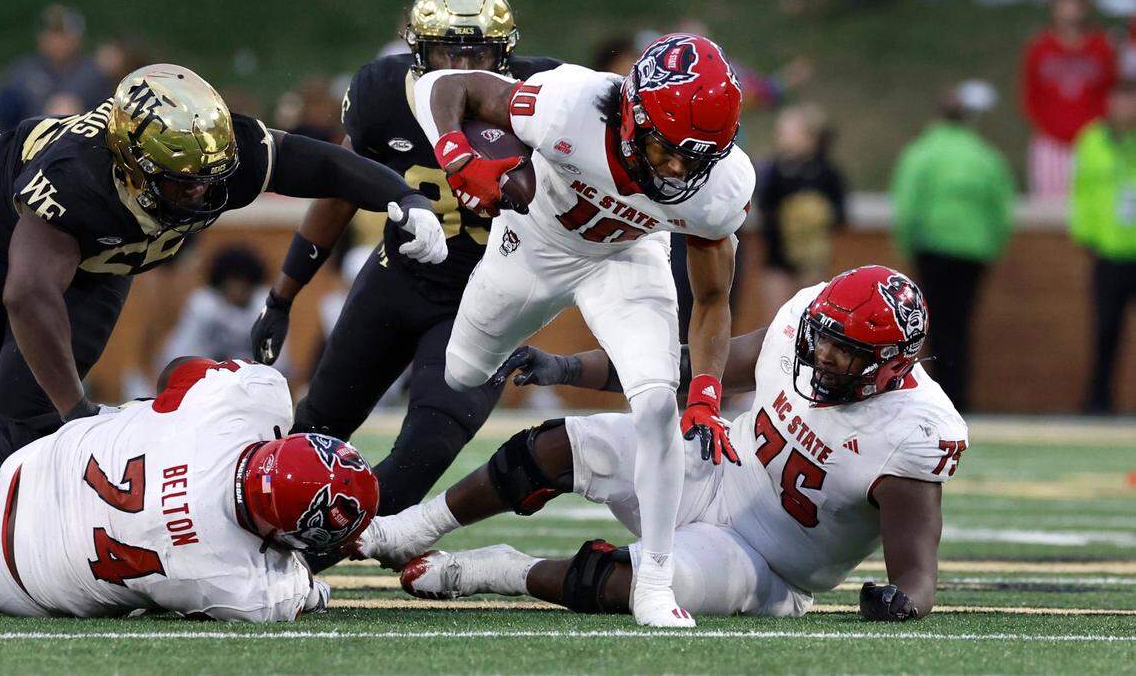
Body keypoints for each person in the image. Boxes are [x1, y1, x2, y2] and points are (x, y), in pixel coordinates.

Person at [358, 266, 966, 623]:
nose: (824, 355)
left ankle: (500, 570)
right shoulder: (804, 322)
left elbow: (917, 573)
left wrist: (901, 602)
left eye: (846, 351)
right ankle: (415, 526)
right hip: (718, 465)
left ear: (890, 364)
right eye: (823, 338)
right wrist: (568, 369)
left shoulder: (911, 432)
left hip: (765, 562)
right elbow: (687, 366)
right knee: (559, 445)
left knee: (627, 584)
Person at [406, 32, 755, 627]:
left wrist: (705, 392)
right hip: (536, 240)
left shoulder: (720, 188)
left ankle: (655, 582)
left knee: (656, 404)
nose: (676, 168)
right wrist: (459, 156)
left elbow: (713, 296)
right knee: (462, 372)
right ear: (632, 114)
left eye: (694, 158)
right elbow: (442, 85)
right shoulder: (567, 103)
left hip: (627, 259)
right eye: (664, 147)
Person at [0, 62, 446, 443]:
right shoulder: (76, 179)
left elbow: (322, 164)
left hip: (101, 261)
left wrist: (404, 196)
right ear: (132, 165)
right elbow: (27, 294)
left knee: (32, 412)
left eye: (209, 175)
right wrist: (78, 413)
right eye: (183, 180)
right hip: (10, 232)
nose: (201, 190)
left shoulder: (213, 155)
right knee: (36, 411)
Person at [251, 0, 559, 518]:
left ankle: (335, 542)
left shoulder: (549, 97)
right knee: (314, 430)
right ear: (418, 51)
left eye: (478, 55)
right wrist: (282, 297)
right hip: (398, 281)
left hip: (490, 301)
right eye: (446, 53)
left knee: (424, 453)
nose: (460, 68)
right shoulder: (383, 94)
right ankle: (266, 537)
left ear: (504, 53)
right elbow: (341, 189)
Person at [0, 357, 379, 620]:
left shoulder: (248, 396)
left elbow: (175, 371)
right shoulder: (244, 587)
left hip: (21, 463)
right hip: (15, 584)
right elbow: (307, 590)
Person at [891, 81, 1014, 412]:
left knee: (929, 324)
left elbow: (907, 204)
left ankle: (935, 395)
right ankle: (959, 395)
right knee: (961, 323)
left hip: (931, 247)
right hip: (973, 251)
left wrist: (906, 245)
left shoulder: (922, 152)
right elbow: (1001, 208)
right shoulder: (985, 156)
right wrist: (993, 247)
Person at [1069, 78, 1136, 414]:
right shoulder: (1092, 140)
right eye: (1121, 100)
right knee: (1105, 329)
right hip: (1108, 252)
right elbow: (1081, 191)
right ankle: (1099, 401)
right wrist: (1087, 236)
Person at [757, 103, 847, 322]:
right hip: (776, 257)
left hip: (811, 261)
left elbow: (840, 215)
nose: (781, 136)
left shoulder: (827, 173)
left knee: (808, 318)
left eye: (789, 130)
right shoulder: (775, 170)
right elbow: (764, 207)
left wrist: (816, 217)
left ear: (809, 135)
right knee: (777, 320)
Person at [1021, 0, 1116, 198]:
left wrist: (1100, 129)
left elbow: (1112, 91)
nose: (1070, 9)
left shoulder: (1102, 47)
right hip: (1051, 142)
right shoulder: (1040, 47)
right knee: (1049, 207)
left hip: (1094, 140)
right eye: (1064, 2)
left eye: (1076, 3)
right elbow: (1029, 94)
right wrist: (1047, 126)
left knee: (1097, 198)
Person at [156, 246, 282, 374]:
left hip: (251, 379)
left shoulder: (265, 307)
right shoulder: (203, 306)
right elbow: (177, 357)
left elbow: (278, 364)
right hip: (205, 377)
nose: (237, 288)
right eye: (231, 281)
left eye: (244, 282)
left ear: (253, 284)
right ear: (219, 282)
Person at [0, 5, 111, 133]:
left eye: (64, 35)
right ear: (41, 38)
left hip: (81, 140)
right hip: (29, 141)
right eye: (53, 35)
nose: (58, 42)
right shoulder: (22, 71)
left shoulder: (95, 72)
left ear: (77, 38)